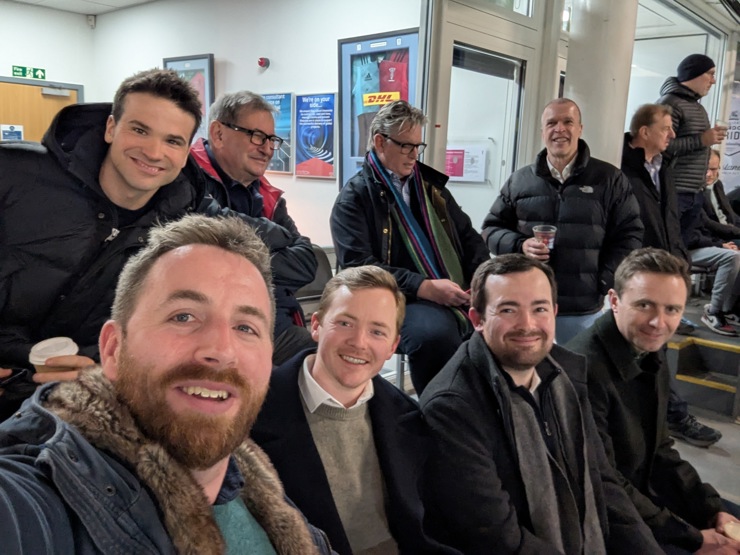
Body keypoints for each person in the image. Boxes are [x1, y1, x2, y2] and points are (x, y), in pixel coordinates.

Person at [0, 214, 332, 554]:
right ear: (113, 349)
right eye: (183, 316)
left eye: (246, 328)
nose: (221, 350)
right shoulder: (35, 497)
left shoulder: (265, 494)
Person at [0, 68, 208, 421]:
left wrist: (103, 368)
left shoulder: (181, 231)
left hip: (70, 411)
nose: (154, 152)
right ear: (111, 128)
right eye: (140, 130)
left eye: (173, 141)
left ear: (186, 152)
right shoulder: (15, 174)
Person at [420, 254, 661, 554]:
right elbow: (498, 539)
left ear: (554, 312)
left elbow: (602, 480)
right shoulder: (452, 407)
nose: (527, 325)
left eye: (540, 309)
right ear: (477, 319)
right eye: (508, 309)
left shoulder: (566, 373)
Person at [252, 265, 456, 555]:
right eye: (345, 323)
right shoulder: (254, 414)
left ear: (393, 346)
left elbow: (432, 526)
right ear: (316, 326)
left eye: (377, 331)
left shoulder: (409, 417)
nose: (359, 342)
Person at [567, 248, 740, 554]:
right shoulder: (582, 370)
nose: (659, 322)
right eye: (644, 305)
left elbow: (661, 448)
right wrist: (692, 538)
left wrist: (710, 508)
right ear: (614, 301)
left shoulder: (646, 348)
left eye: (672, 309)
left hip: (644, 496)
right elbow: (603, 485)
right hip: (606, 520)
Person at [331, 100, 489, 394]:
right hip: (396, 297)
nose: (414, 155)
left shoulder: (431, 188)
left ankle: (480, 404)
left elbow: (469, 237)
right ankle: (440, 407)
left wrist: (482, 279)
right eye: (406, 146)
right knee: (435, 335)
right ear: (380, 142)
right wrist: (423, 287)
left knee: (496, 318)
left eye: (418, 146)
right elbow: (358, 267)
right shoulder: (354, 197)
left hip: (451, 287)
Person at [482, 98, 643, 343]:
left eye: (568, 122)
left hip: (581, 309)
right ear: (542, 132)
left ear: (580, 129)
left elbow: (630, 235)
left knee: (577, 365)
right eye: (552, 123)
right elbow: (490, 229)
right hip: (527, 304)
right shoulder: (520, 181)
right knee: (528, 365)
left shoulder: (610, 179)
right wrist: (520, 245)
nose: (560, 129)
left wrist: (603, 281)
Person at [191, 91, 317, 365]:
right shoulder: (187, 179)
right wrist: (274, 236)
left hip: (274, 327)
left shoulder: (269, 195)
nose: (267, 149)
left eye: (272, 139)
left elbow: (307, 263)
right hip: (209, 333)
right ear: (218, 134)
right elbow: (205, 263)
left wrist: (238, 256)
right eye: (257, 136)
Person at [621, 103, 722, 447]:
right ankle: (671, 418)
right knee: (651, 349)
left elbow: (669, 220)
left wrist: (679, 260)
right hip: (635, 274)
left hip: (662, 269)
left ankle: (666, 418)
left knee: (655, 348)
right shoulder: (619, 168)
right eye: (666, 128)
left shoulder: (664, 167)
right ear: (644, 131)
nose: (672, 134)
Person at [657, 54, 727, 242]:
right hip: (675, 190)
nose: (713, 81)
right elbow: (661, 146)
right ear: (693, 74)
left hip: (694, 192)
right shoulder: (670, 103)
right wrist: (702, 140)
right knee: (668, 246)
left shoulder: (697, 107)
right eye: (710, 74)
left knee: (681, 248)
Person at [703, 150, 740, 244]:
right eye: (705, 169)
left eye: (713, 169)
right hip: (715, 238)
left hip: (729, 232)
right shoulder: (694, 191)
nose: (709, 174)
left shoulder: (717, 184)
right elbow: (707, 223)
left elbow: (730, 213)